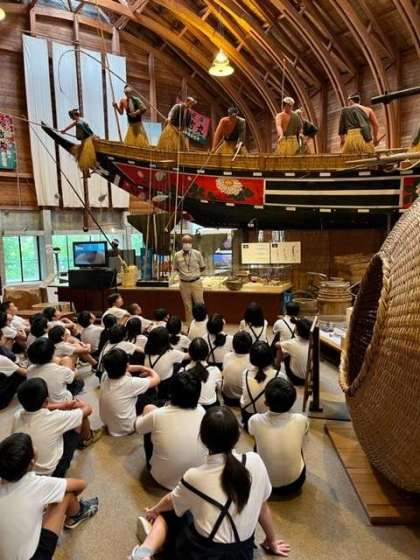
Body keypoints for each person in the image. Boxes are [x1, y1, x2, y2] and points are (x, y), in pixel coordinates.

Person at [132, 406, 290, 560]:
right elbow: (263, 507)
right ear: (238, 435)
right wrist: (272, 541)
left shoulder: (194, 476)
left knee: (171, 509)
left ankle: (143, 553)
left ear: (202, 438)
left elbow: (170, 501)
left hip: (203, 554)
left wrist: (154, 511)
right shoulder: (256, 462)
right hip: (243, 554)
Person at [0, 432, 99, 560]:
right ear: (31, 462)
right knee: (66, 494)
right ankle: (77, 514)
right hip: (35, 557)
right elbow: (81, 484)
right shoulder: (36, 483)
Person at [135, 372, 206, 490]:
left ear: (171, 392)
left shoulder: (158, 414)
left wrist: (145, 414)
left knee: (148, 413)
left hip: (161, 478)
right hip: (194, 479)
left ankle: (151, 462)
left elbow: (137, 428)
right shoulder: (203, 412)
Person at [12, 378, 98, 476]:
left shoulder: (17, 415)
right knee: (78, 421)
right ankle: (87, 439)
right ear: (46, 401)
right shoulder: (55, 418)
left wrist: (63, 405)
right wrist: (81, 404)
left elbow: (44, 407)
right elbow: (88, 410)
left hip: (25, 471)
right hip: (53, 473)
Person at [249, 378, 309, 495]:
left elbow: (252, 433)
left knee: (257, 444)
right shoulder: (301, 419)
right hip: (295, 484)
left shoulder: (255, 420)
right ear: (293, 402)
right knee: (298, 444)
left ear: (266, 402)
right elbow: (305, 432)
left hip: (265, 484)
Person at [99, 349, 160, 436]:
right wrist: (149, 369)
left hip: (109, 426)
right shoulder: (130, 383)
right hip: (127, 428)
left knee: (130, 381)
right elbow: (157, 379)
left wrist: (141, 368)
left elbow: (127, 369)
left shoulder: (105, 375)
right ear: (127, 365)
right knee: (151, 396)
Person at [240, 341, 286, 430]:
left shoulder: (245, 373)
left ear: (251, 359)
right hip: (269, 420)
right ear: (271, 357)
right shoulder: (279, 375)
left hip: (249, 418)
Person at [27, 338, 79, 402]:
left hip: (42, 403)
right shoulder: (60, 370)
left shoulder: (30, 369)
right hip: (62, 402)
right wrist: (75, 370)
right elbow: (74, 376)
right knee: (78, 382)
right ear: (53, 351)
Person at [143, 327, 187, 400]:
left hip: (150, 385)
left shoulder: (147, 353)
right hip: (165, 387)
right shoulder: (171, 353)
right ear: (166, 341)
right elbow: (188, 356)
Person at [173, 235, 206, 326]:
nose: (187, 244)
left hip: (196, 282)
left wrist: (194, 274)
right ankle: (190, 326)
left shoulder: (197, 253)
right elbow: (176, 268)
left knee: (200, 304)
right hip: (184, 284)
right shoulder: (177, 255)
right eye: (185, 242)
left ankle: (203, 324)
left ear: (192, 243)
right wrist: (185, 275)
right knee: (187, 306)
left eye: (189, 242)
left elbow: (202, 267)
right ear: (182, 243)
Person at [181, 337, 222, 409]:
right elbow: (220, 389)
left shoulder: (183, 371)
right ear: (207, 353)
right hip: (211, 407)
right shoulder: (215, 370)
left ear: (189, 353)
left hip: (191, 407)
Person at [60, 108, 97, 173]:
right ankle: (87, 172)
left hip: (87, 141)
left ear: (75, 115)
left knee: (85, 157)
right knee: (82, 157)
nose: (71, 118)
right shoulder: (78, 122)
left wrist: (93, 136)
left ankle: (91, 169)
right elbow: (71, 126)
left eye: (72, 116)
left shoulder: (81, 122)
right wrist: (64, 130)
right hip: (84, 141)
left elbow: (88, 130)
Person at [222, 331, 252, 406]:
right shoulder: (252, 360)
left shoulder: (227, 356)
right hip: (245, 399)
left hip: (227, 397)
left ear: (233, 345)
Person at [277, 319, 311, 386]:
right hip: (309, 377)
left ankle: (277, 366)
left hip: (296, 379)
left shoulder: (292, 343)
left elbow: (277, 345)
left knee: (283, 351)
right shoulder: (313, 342)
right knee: (290, 351)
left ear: (297, 330)